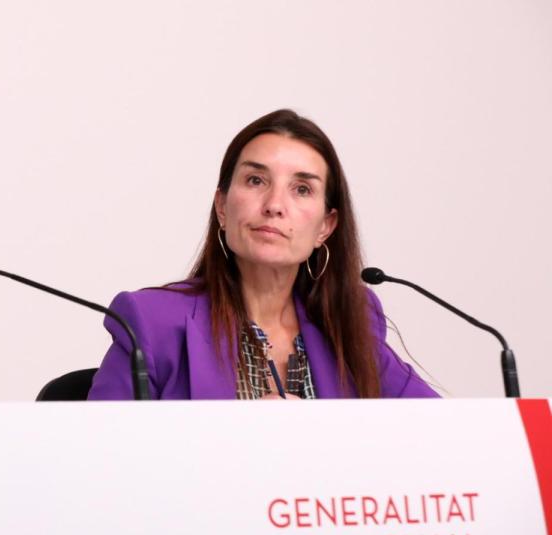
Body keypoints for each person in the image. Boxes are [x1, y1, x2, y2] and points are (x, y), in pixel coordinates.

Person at [88, 109, 437, 400]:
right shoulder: (151, 322)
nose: (274, 206)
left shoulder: (349, 318)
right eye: (256, 180)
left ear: (325, 227)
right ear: (222, 206)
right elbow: (98, 463)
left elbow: (440, 430)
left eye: (301, 189)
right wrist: (242, 438)